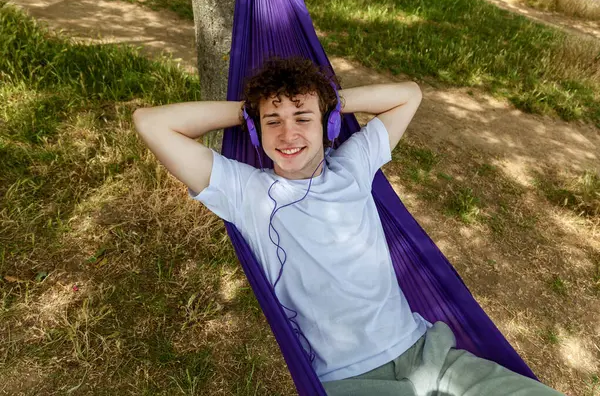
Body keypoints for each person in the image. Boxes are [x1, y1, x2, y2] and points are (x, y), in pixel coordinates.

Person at [133, 57, 563, 396]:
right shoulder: (245, 192)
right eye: (272, 122)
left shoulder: (352, 166)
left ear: (329, 125)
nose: (287, 133)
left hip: (429, 354)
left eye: (304, 118)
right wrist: (251, 108)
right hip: (352, 381)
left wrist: (329, 101)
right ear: (256, 129)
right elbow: (150, 122)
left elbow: (409, 95)